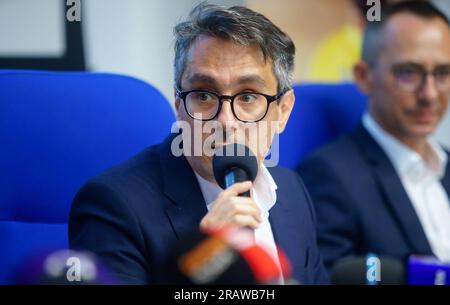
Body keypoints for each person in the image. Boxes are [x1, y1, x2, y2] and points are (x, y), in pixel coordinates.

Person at [69, 3, 328, 284]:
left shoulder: (292, 192)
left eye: (248, 97)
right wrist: (202, 257)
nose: (226, 121)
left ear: (283, 111)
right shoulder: (114, 206)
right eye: (204, 95)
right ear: (179, 106)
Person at [298, 1, 450, 271]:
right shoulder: (327, 176)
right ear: (364, 76)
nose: (429, 94)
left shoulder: (446, 164)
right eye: (408, 73)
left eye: (442, 73)